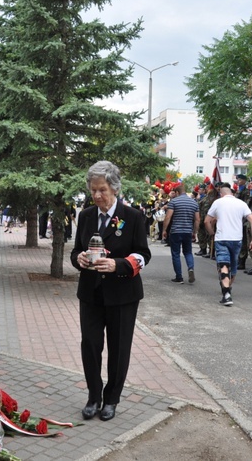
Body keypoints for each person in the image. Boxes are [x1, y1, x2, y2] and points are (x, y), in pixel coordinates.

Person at [70, 161, 151, 422]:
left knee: (118, 348)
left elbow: (143, 254)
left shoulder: (133, 216)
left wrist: (119, 264)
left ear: (114, 188)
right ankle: (94, 396)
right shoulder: (85, 215)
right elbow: (76, 250)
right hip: (91, 293)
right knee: (90, 346)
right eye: (93, 190)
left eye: (102, 190)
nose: (97, 196)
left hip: (122, 295)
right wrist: (78, 259)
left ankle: (111, 399)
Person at [204, 182, 252, 306]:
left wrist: (212, 233)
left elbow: (207, 221)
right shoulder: (242, 203)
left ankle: (226, 294)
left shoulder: (218, 203)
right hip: (236, 239)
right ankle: (228, 289)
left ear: (221, 194)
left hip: (221, 238)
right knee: (233, 266)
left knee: (223, 265)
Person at [162, 184, 199, 283]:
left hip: (176, 231)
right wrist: (194, 232)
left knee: (176, 254)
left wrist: (164, 230)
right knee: (188, 252)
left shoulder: (174, 201)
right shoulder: (194, 203)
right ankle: (190, 268)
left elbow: (168, 217)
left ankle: (179, 277)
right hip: (188, 231)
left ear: (177, 192)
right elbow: (197, 220)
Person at [234, 174, 251, 270]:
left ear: (244, 181)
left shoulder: (246, 192)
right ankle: (239, 259)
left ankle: (242, 261)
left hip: (244, 219)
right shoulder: (239, 190)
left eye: (240, 180)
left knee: (244, 241)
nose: (238, 181)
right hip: (238, 219)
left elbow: (245, 205)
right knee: (239, 239)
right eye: (238, 180)